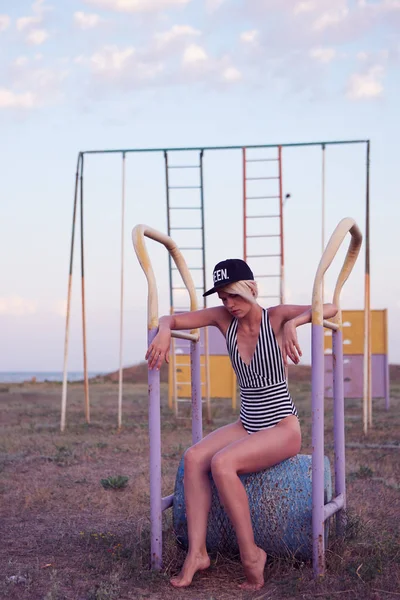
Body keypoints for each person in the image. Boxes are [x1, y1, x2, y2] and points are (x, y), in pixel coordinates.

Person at [146, 258, 337, 591]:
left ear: (251, 289)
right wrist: (164, 330)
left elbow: (331, 307)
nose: (228, 304)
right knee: (193, 459)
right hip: (248, 423)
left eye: (234, 295)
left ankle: (252, 556)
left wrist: (297, 322)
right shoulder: (223, 319)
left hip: (281, 427)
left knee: (223, 463)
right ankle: (197, 553)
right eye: (222, 297)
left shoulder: (275, 316)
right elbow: (172, 317)